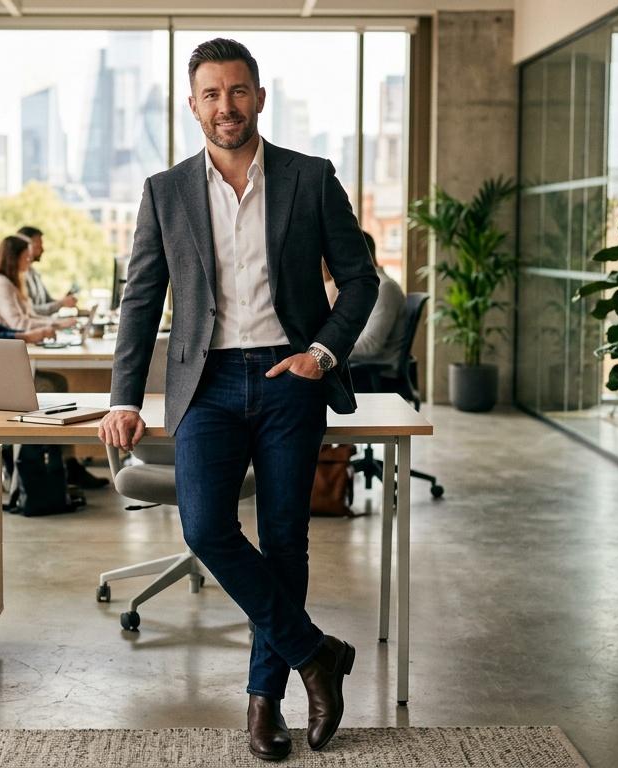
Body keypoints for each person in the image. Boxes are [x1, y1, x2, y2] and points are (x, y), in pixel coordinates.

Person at [98, 38, 378, 762]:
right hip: (207, 384)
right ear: (193, 106)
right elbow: (140, 301)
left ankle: (264, 702)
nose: (227, 106)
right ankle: (317, 655)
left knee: (285, 539)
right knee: (205, 528)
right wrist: (123, 397)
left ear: (259, 97)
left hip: (291, 378)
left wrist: (322, 354)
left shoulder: (310, 177)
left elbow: (361, 279)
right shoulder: (165, 192)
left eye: (239, 91)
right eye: (212, 94)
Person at [0, 230, 107, 490]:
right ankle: (34, 478)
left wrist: (25, 336)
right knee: (47, 387)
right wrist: (24, 336)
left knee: (56, 383)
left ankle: (60, 468)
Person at [347, 231, 408, 387]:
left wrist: (329, 349)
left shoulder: (384, 288)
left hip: (375, 374)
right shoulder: (367, 287)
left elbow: (372, 346)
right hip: (362, 369)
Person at [0, 235, 76, 332]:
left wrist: (59, 322)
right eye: (27, 257)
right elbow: (18, 324)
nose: (29, 261)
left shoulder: (12, 283)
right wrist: (57, 324)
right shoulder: (1, 284)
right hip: (8, 340)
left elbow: (31, 316)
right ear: (14, 259)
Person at [18, 225, 78, 316]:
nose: (43, 249)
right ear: (26, 246)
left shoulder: (34, 273)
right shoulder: (17, 276)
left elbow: (48, 301)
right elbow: (29, 311)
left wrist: (64, 301)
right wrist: (61, 303)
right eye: (39, 245)